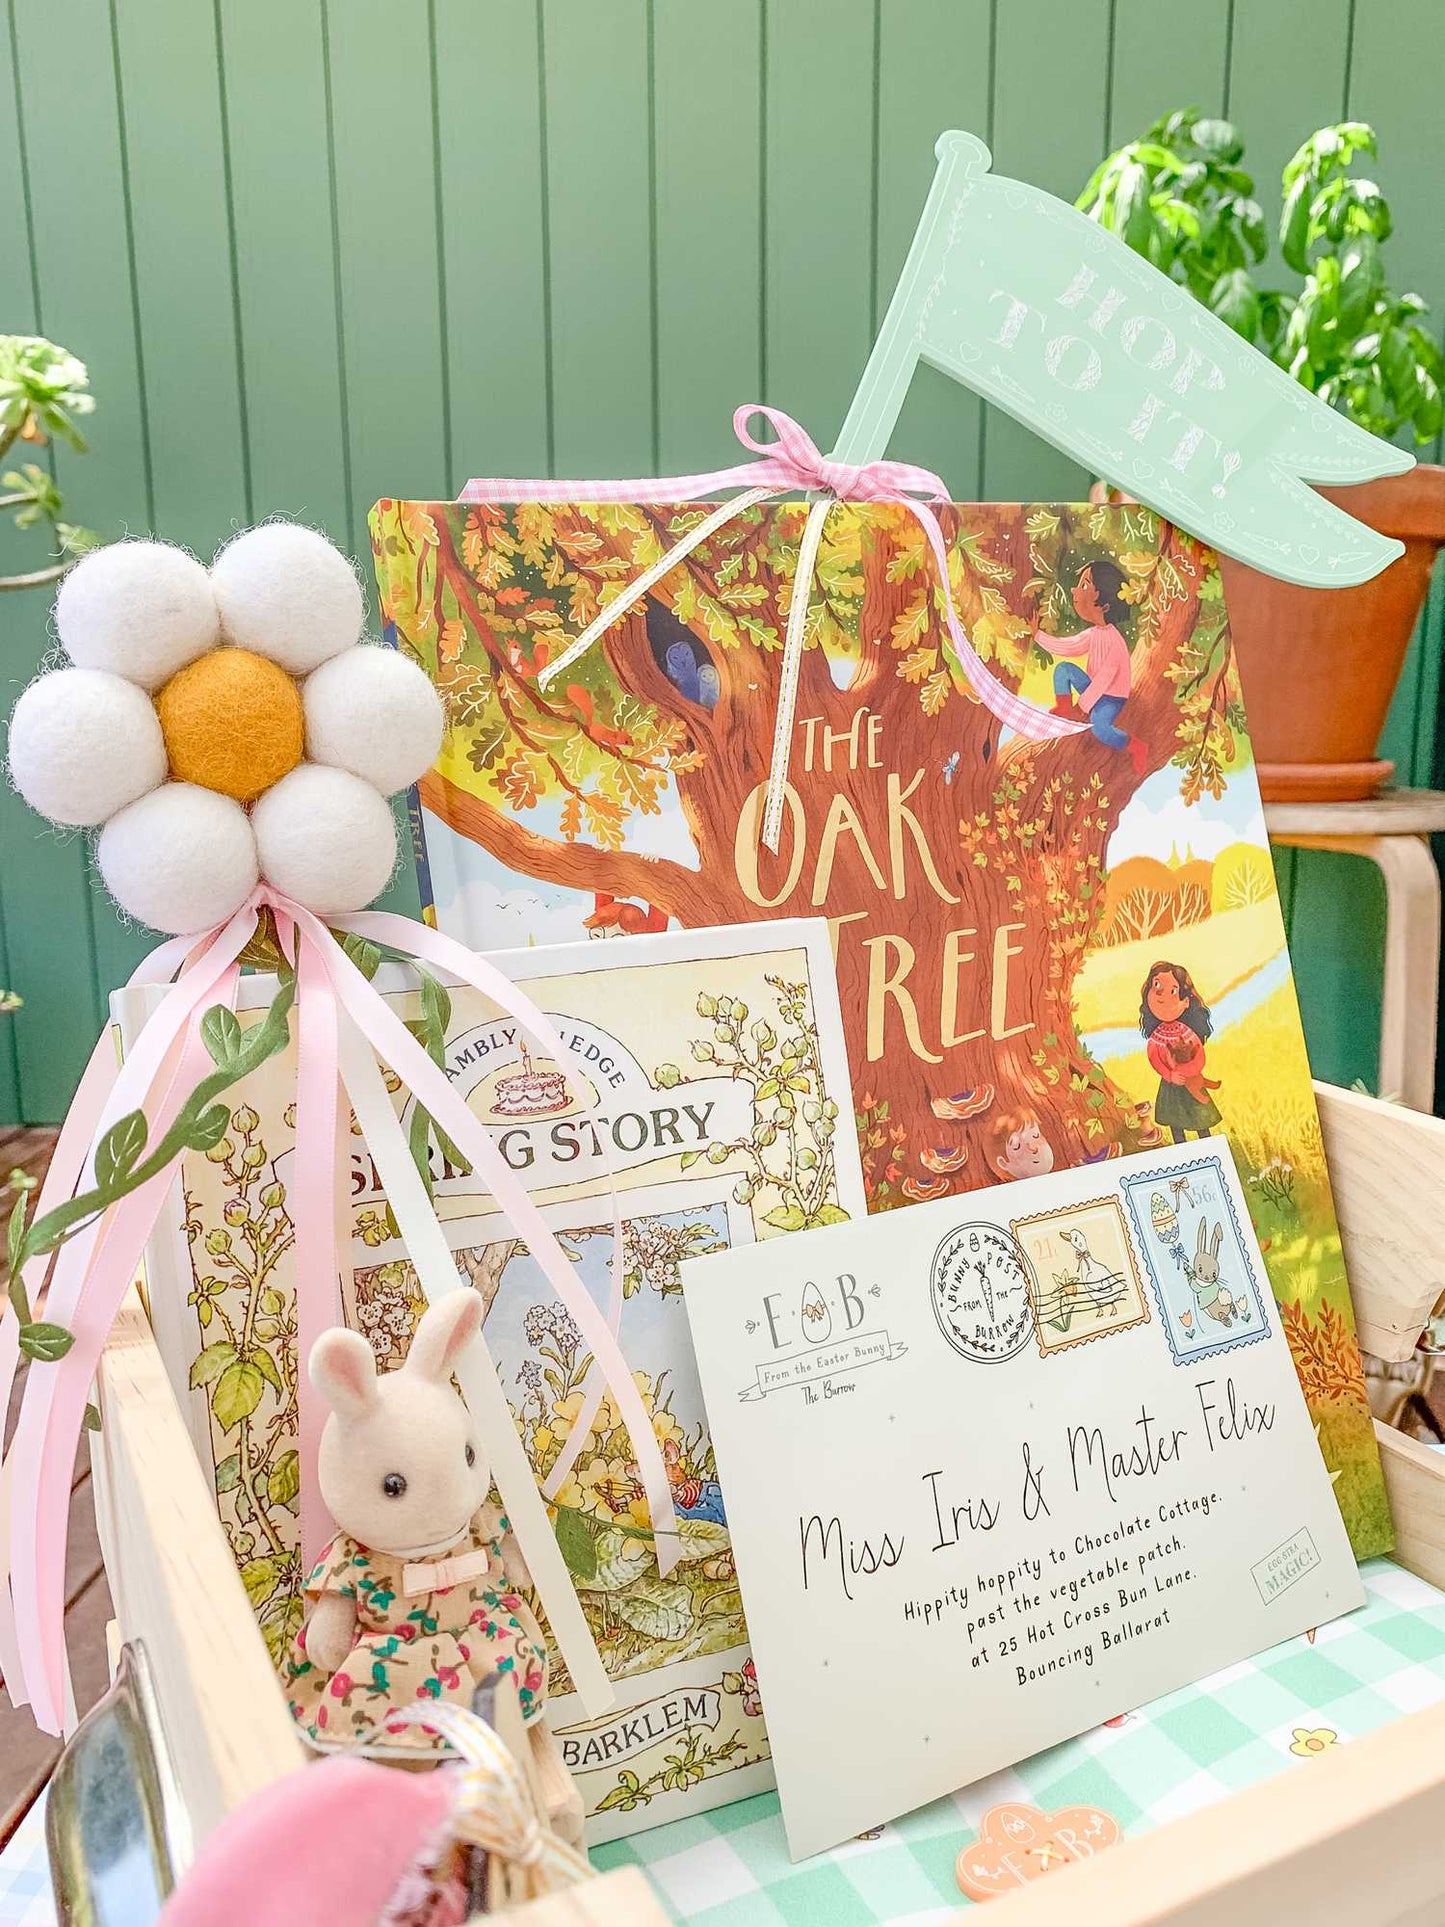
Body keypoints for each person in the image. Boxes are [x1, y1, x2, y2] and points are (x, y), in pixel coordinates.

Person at [1034, 559, 1148, 777]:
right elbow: (1069, 646)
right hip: (1093, 688)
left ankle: (1135, 746)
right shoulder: (1094, 633)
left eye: (1085, 585)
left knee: (1099, 728)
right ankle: (1064, 708)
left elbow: (1104, 680)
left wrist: (1083, 707)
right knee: (1064, 669)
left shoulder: (1115, 642)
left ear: (1104, 605)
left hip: (1111, 697)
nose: (1075, 590)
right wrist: (1037, 635)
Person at [1139, 960, 1222, 1143]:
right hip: (1171, 1086)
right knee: (1174, 1120)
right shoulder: (1156, 1037)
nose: (1161, 996)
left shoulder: (1187, 1032)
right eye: (1157, 986)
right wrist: (1170, 1075)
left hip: (1191, 1081)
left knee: (1200, 1117)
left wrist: (1188, 1072)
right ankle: (1180, 1146)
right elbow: (1155, 1059)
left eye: (1172, 991)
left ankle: (1207, 1144)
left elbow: (1199, 1056)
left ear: (1185, 1002)